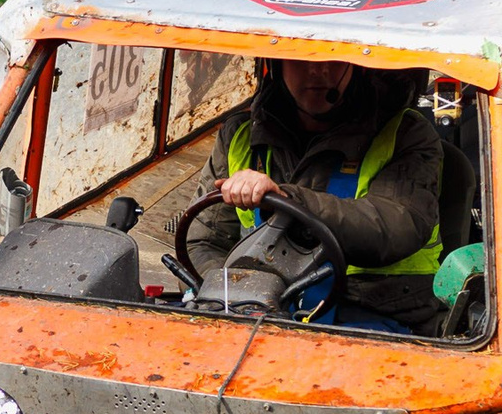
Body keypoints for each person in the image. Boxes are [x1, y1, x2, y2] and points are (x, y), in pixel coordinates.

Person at [186, 58, 444, 333]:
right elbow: (203, 241)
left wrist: (289, 198)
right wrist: (230, 292)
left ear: (356, 66)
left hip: (378, 319)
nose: (317, 72)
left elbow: (396, 227)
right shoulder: (239, 134)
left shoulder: (406, 134)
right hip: (259, 316)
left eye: (333, 62)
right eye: (300, 61)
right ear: (275, 66)